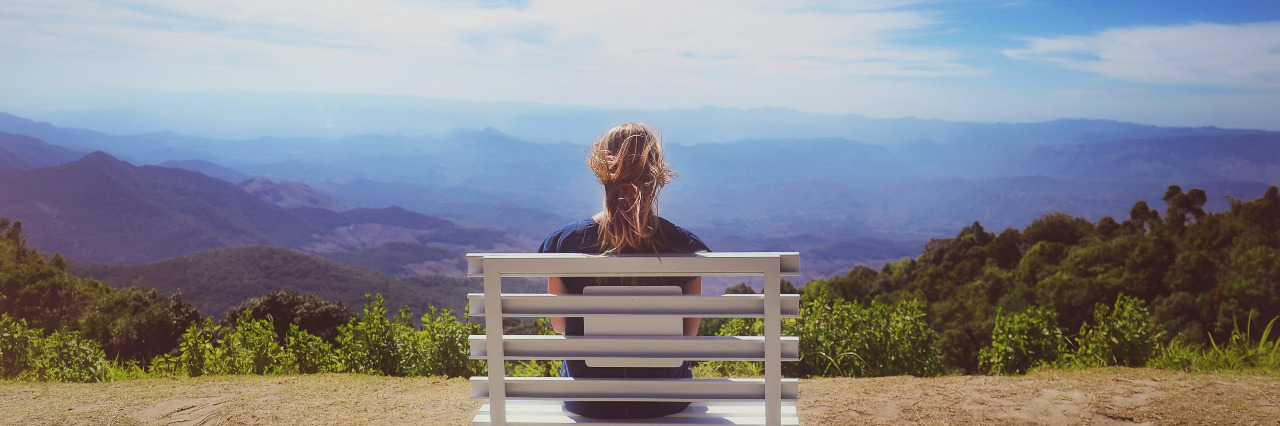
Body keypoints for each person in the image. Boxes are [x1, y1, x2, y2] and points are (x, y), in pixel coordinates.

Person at [538, 122, 709, 419]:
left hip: (588, 401)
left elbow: (560, 325)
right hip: (664, 401)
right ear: (656, 173)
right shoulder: (685, 246)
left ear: (601, 169)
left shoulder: (564, 243)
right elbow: (687, 333)